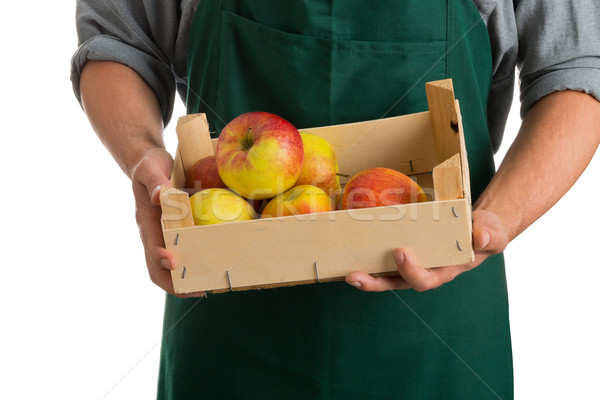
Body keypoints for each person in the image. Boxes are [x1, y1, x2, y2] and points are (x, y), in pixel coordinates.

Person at [72, 1, 600, 398]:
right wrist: (143, 154)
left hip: (439, 313)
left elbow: (575, 70)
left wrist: (495, 220)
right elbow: (121, 39)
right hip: (228, 317)